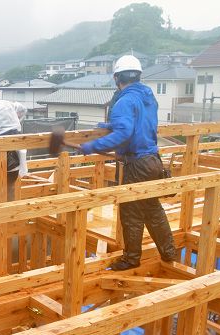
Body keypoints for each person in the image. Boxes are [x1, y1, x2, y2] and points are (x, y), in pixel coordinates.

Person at [67, 55, 178, 271]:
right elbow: (137, 124)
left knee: (131, 213)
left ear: (117, 78)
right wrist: (110, 123)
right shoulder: (148, 97)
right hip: (154, 160)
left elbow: (124, 134)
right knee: (153, 209)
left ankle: (131, 259)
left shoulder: (123, 101)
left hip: (137, 165)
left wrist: (91, 147)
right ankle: (169, 251)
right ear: (138, 76)